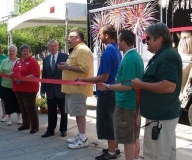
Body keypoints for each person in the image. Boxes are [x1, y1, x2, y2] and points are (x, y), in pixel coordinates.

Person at [131, 22, 182, 160]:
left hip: (160, 117)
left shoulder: (167, 56)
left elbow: (168, 86)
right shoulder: (163, 55)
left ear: (159, 39)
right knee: (165, 153)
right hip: (161, 115)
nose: (145, 41)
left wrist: (141, 84)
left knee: (154, 155)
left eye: (148, 38)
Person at [76, 25, 121, 159]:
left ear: (107, 35)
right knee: (112, 121)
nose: (99, 37)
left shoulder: (108, 52)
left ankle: (111, 152)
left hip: (106, 93)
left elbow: (104, 77)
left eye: (100, 34)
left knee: (107, 123)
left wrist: (84, 80)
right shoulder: (116, 50)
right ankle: (115, 148)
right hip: (113, 91)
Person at [97, 30, 144, 160]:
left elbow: (128, 85)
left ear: (123, 42)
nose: (117, 43)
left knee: (128, 139)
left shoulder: (129, 59)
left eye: (118, 41)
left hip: (126, 104)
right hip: (131, 103)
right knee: (133, 135)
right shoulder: (134, 56)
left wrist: (107, 86)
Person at [58, 29, 93, 149]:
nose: (69, 39)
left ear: (78, 38)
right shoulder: (77, 50)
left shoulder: (82, 50)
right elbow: (74, 66)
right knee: (78, 113)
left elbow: (85, 69)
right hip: (73, 88)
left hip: (78, 88)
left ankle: (83, 139)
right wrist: (67, 66)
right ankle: (80, 135)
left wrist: (68, 67)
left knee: (79, 113)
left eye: (71, 37)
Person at [40, 39, 68, 138]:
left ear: (58, 46)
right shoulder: (46, 59)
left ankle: (63, 130)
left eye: (55, 45)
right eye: (51, 46)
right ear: (48, 48)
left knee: (63, 111)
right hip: (50, 90)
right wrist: (42, 90)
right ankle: (50, 130)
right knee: (51, 111)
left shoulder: (65, 57)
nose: (53, 48)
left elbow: (68, 73)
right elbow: (44, 76)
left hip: (61, 89)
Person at [12, 44, 40, 134]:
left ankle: (35, 126)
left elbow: (35, 75)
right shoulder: (18, 61)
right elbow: (14, 71)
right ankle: (26, 124)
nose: (25, 52)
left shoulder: (33, 62)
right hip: (18, 89)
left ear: (29, 51)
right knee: (23, 107)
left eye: (27, 50)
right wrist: (11, 73)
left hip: (29, 89)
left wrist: (22, 79)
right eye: (24, 50)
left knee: (30, 108)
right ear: (21, 52)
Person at [0, 44, 22, 126]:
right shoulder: (4, 61)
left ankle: (19, 117)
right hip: (6, 85)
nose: (11, 52)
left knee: (18, 101)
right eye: (10, 51)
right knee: (7, 102)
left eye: (13, 51)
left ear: (16, 52)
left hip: (18, 85)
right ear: (8, 52)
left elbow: (23, 72)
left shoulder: (20, 61)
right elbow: (0, 71)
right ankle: (9, 118)